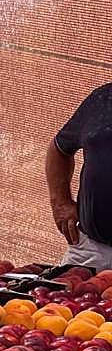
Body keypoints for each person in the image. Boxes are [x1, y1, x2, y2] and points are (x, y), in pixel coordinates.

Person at [47, 83, 112, 269]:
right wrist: (60, 202)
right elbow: (59, 149)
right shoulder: (104, 98)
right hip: (92, 251)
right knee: (55, 288)